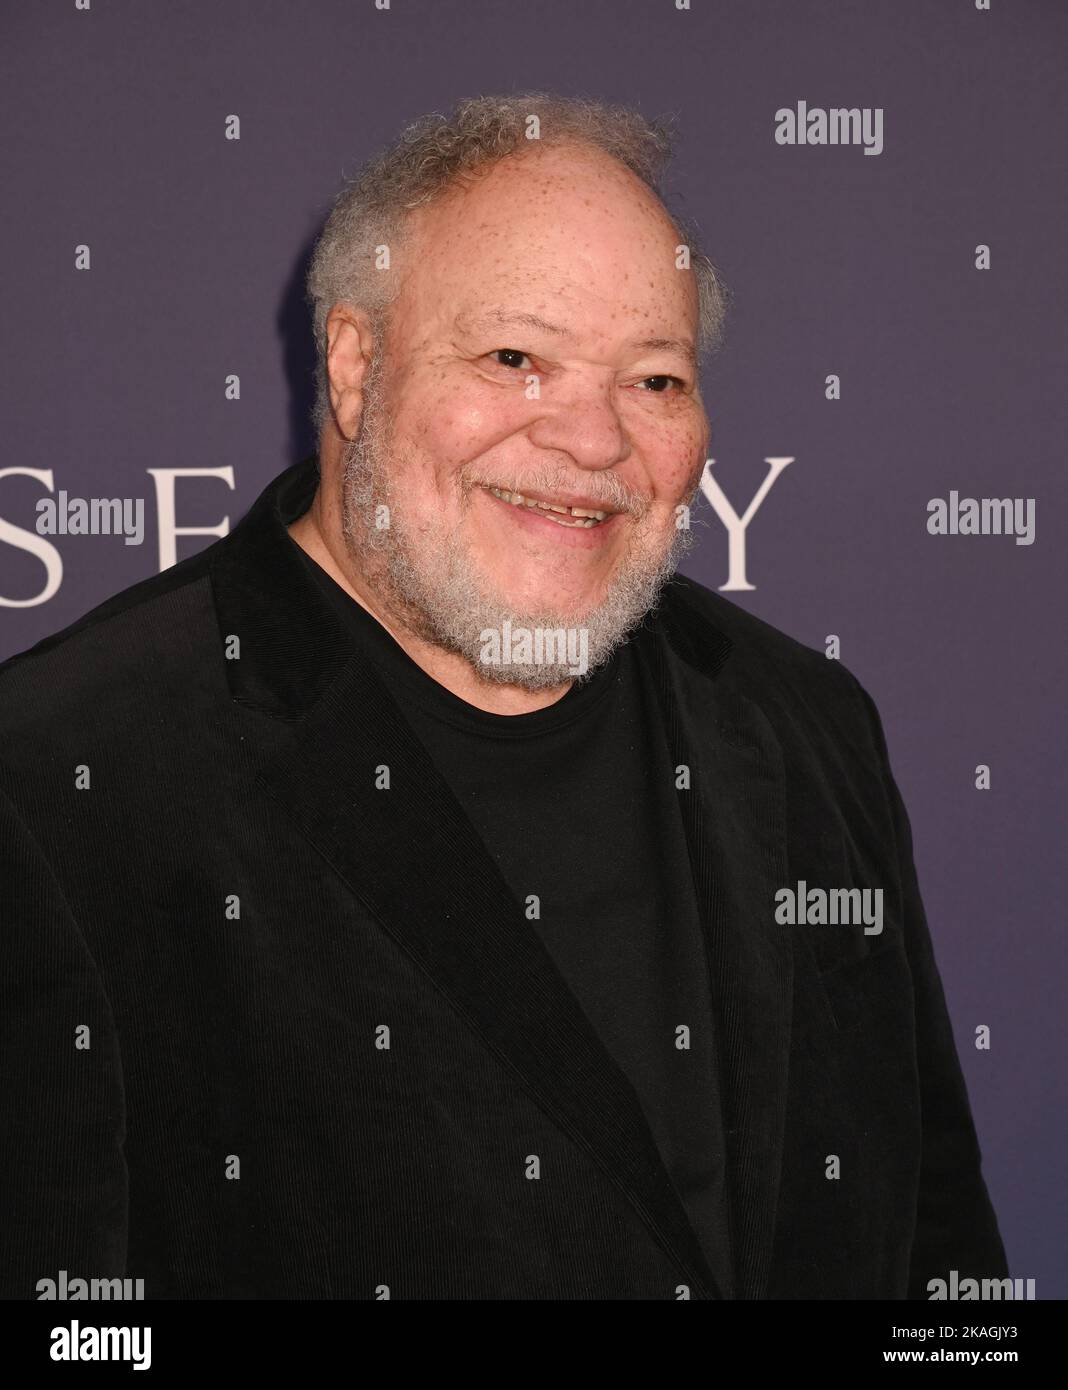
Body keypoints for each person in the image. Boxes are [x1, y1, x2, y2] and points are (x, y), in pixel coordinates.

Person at [0, 93, 1006, 1299]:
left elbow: (939, 1261)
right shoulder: (67, 776)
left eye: (655, 379)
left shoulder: (806, 726)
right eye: (515, 358)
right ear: (356, 366)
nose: (591, 439)